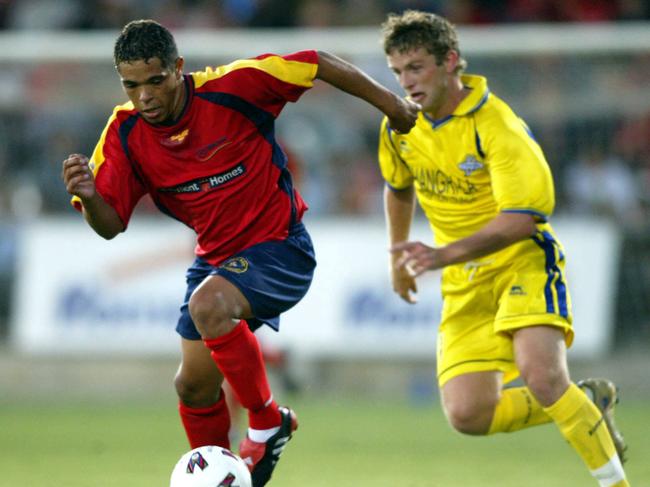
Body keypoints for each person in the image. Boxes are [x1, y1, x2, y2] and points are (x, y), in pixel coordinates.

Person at [61, 19, 419, 487]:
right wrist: (90, 198)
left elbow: (317, 63)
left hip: (281, 247)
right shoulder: (124, 134)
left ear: (178, 69)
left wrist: (392, 105)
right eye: (131, 85)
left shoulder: (233, 87)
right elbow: (110, 227)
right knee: (191, 385)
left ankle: (268, 420)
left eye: (155, 81)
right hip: (215, 261)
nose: (144, 96)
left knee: (207, 305)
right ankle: (225, 476)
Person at [377, 10, 630, 487]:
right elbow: (398, 186)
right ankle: (585, 404)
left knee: (542, 375)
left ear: (450, 61)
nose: (406, 83)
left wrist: (439, 255)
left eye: (415, 68)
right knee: (468, 414)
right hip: (465, 280)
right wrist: (397, 258)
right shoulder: (399, 126)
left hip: (522, 262)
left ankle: (616, 483)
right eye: (397, 72)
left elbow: (523, 219)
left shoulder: (496, 125)